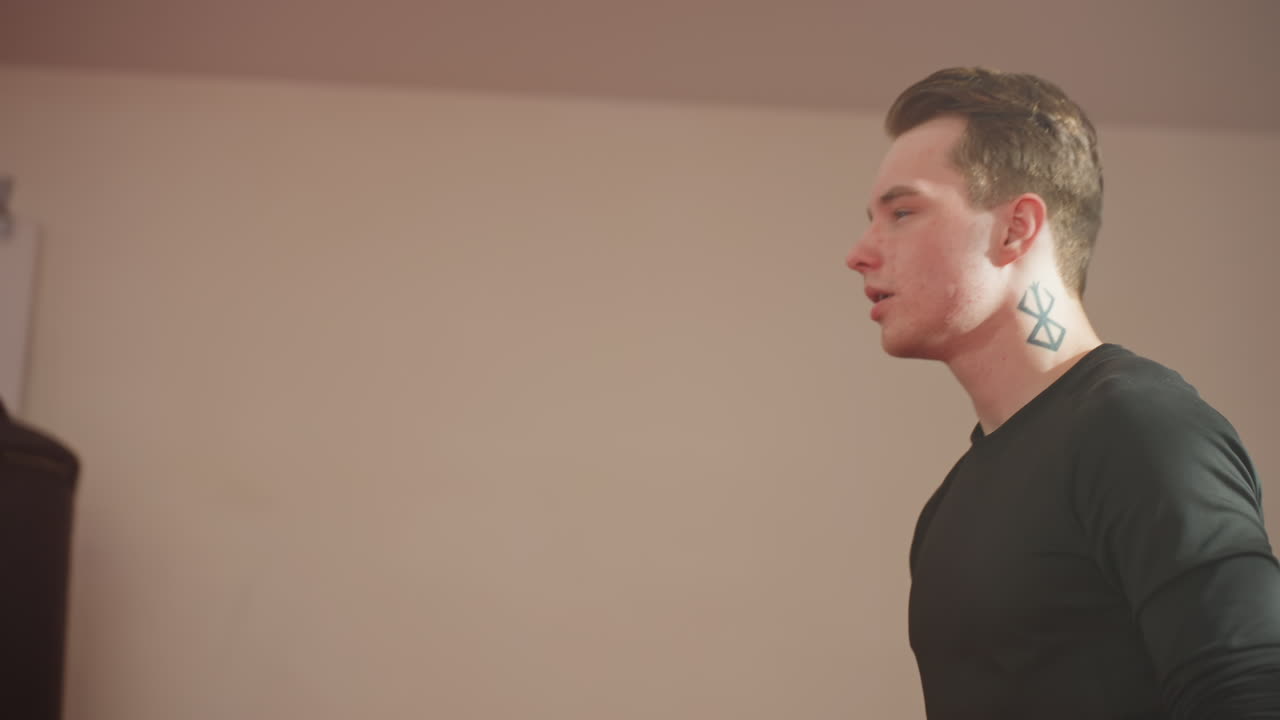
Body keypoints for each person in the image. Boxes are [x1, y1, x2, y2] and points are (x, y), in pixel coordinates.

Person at [845, 67, 1280, 718]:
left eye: (903, 212)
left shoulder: (1141, 428)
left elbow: (1252, 691)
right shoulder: (951, 502)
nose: (859, 252)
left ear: (1016, 229)